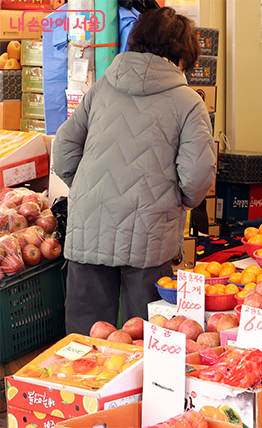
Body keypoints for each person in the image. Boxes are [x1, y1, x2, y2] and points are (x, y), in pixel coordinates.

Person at [53, 7, 216, 335]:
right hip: (150, 230)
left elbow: (64, 147)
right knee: (145, 333)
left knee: (86, 335)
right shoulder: (188, 101)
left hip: (89, 223)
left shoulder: (102, 87)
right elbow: (198, 174)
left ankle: (80, 387)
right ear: (183, 56)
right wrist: (180, 201)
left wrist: (87, 187)